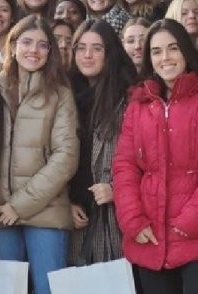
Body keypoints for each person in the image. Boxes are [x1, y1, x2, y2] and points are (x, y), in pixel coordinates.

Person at [113, 18, 198, 294]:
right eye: (156, 51)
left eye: (173, 48)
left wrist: (191, 221)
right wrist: (132, 220)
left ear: (186, 51)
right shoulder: (139, 104)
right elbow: (125, 166)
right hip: (150, 236)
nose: (165, 58)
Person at [0, 16, 79, 294]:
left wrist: (18, 206)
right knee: (8, 291)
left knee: (47, 289)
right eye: (26, 42)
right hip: (0, 212)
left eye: (42, 45)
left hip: (45, 213)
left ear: (50, 52)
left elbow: (66, 156)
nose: (33, 50)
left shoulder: (60, 95)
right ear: (12, 46)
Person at [68, 19, 137, 265]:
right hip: (76, 213)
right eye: (81, 47)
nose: (87, 55)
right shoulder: (65, 94)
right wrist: (67, 201)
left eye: (97, 48)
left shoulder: (129, 97)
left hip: (115, 214)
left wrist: (117, 189)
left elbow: (146, 157)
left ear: (110, 53)